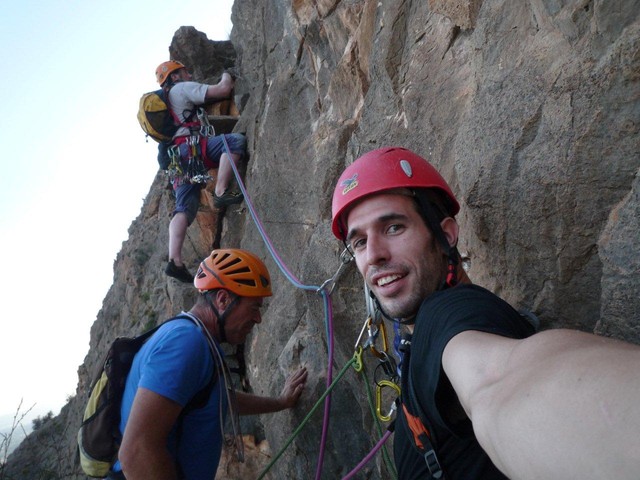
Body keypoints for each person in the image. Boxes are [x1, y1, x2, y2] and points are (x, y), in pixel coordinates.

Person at [331, 146, 640, 480]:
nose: (374, 255)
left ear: (445, 235)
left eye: (394, 227)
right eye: (359, 242)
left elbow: (497, 377)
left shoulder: (448, 317)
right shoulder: (420, 339)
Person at [110, 248, 308, 480]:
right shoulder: (186, 343)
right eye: (254, 308)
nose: (258, 319)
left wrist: (280, 402)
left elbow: (220, 398)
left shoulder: (195, 338)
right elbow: (136, 452)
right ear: (223, 299)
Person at [156, 60, 247, 283]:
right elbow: (222, 90)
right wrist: (227, 74)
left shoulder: (168, 102)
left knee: (183, 209)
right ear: (174, 77)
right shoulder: (181, 89)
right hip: (192, 148)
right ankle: (221, 190)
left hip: (176, 159)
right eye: (184, 71)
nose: (189, 74)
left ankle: (175, 260)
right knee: (234, 142)